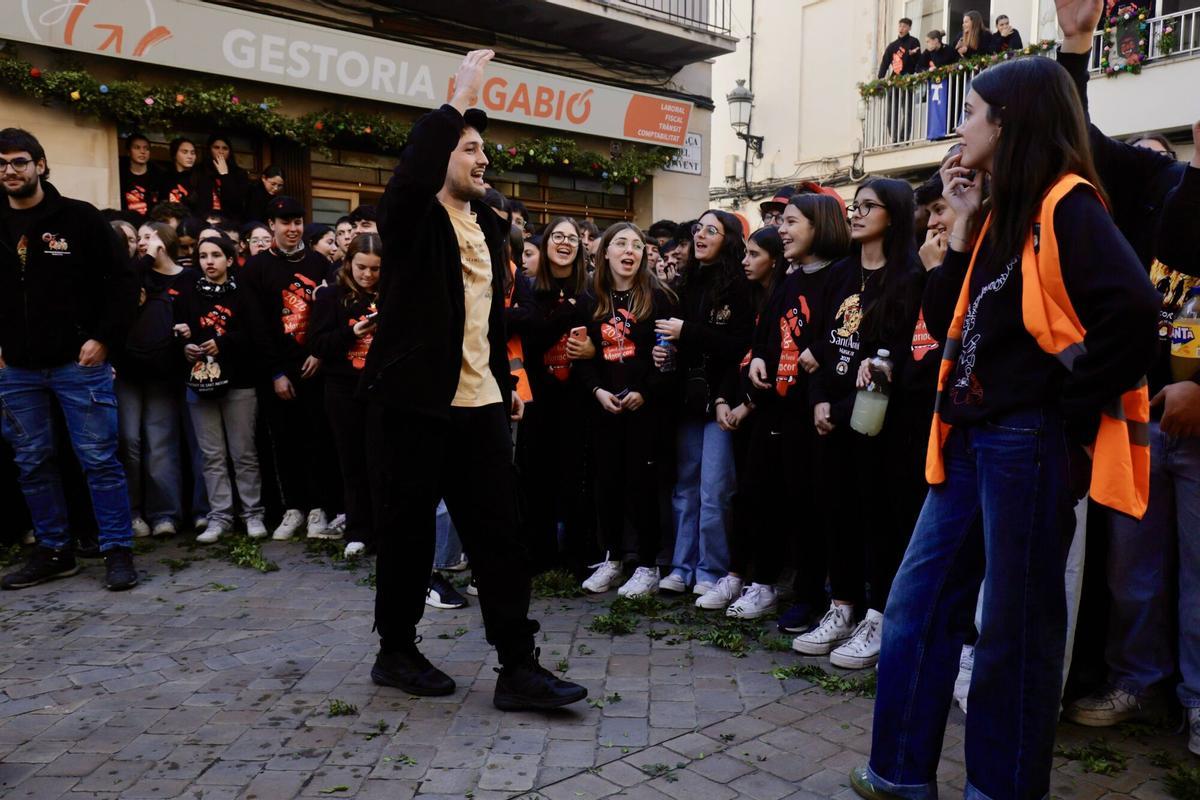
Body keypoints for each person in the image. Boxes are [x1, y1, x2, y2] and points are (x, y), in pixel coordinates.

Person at [850, 56, 1160, 800]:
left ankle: (1000, 790)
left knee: (1012, 638)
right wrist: (958, 231)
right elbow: (945, 320)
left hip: (1027, 441)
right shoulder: (997, 213)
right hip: (968, 439)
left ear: (1009, 123)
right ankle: (897, 774)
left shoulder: (1067, 203)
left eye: (973, 112)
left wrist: (1070, 410)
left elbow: (1136, 313)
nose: (961, 126)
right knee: (916, 612)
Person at [361, 49, 587, 710]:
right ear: (438, 156)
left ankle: (518, 667)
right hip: (413, 404)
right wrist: (458, 95)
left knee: (499, 536)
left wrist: (507, 382)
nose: (482, 158)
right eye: (468, 146)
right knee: (406, 534)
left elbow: (485, 319)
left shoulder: (489, 225)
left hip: (481, 403)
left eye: (484, 149)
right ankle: (395, 651)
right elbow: (408, 180)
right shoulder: (409, 220)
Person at [1063, 122, 1200, 755]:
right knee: (1131, 566)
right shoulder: (1160, 188)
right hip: (1138, 417)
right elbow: (1072, 123)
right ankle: (1139, 682)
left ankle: (1197, 701)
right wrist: (1076, 45)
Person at [0, 127, 140, 591]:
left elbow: (122, 283)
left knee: (99, 459)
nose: (10, 171)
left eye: (19, 161)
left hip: (78, 365)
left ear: (40, 165)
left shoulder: (79, 218)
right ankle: (55, 551)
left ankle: (117, 550)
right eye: (1, 164)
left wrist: (103, 339)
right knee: (32, 461)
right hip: (15, 369)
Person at [796, 179, 922, 669]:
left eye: (868, 206)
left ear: (894, 215)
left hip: (879, 423)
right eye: (855, 205)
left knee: (880, 518)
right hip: (831, 417)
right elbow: (818, 349)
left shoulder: (910, 276)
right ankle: (842, 606)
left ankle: (879, 615)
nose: (856, 213)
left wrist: (851, 397)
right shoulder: (840, 274)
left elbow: (907, 356)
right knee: (837, 511)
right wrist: (818, 399)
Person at [710, 195, 850, 625]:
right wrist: (757, 358)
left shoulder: (841, 276)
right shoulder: (789, 279)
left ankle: (810, 597)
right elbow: (768, 333)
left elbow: (845, 333)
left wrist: (820, 352)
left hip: (814, 411)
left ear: (819, 225)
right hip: (775, 408)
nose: (782, 230)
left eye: (791, 222)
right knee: (761, 496)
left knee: (810, 507)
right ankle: (762, 584)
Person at [576, 223, 678, 598]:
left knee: (643, 486)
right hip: (605, 407)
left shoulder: (660, 298)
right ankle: (614, 559)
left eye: (636, 245)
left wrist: (645, 392)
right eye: (620, 243)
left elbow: (668, 358)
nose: (629, 250)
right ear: (605, 253)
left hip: (645, 410)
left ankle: (648, 564)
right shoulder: (591, 298)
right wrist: (597, 390)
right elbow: (583, 357)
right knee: (607, 486)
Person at [654, 210, 752, 596]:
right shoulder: (685, 282)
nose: (701, 235)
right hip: (686, 397)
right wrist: (667, 353)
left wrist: (688, 332)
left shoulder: (740, 286)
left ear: (727, 239)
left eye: (712, 230)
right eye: (698, 229)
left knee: (714, 490)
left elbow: (739, 347)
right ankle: (681, 566)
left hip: (721, 397)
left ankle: (710, 570)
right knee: (685, 487)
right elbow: (675, 338)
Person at [241, 195, 341, 541]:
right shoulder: (255, 269)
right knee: (284, 442)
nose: (293, 229)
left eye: (298, 222)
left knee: (318, 439)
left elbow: (329, 314)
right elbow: (256, 327)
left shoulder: (319, 264)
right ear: (272, 225)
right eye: (285, 222)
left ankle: (318, 510)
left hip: (315, 367)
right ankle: (293, 508)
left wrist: (320, 352)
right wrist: (275, 373)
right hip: (276, 371)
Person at [174, 235, 271, 543]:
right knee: (211, 455)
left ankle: (252, 513)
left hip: (240, 381)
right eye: (203, 256)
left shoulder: (244, 293)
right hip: (201, 382)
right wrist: (185, 345)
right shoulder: (188, 294)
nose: (209, 261)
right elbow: (178, 331)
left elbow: (257, 334)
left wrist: (223, 342)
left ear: (230, 259)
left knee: (243, 453)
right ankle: (220, 517)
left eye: (216, 255)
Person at [521, 218, 595, 574]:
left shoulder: (593, 290)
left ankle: (578, 556)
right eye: (557, 237)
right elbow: (529, 340)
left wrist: (593, 349)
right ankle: (540, 554)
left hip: (578, 396)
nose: (565, 243)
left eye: (572, 238)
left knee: (575, 477)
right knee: (536, 477)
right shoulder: (529, 288)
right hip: (538, 395)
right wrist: (564, 315)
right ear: (547, 243)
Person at [114, 221, 194, 540]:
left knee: (160, 444)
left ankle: (165, 514)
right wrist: (144, 260)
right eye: (138, 238)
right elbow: (124, 291)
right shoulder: (132, 272)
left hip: (163, 372)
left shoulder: (186, 277)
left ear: (166, 240)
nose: (142, 242)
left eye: (148, 236)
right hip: (127, 370)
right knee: (129, 442)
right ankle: (132, 512)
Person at [310, 233, 381, 559]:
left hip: (382, 388)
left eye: (375, 269)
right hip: (342, 389)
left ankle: (383, 532)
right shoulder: (331, 296)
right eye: (361, 267)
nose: (367, 275)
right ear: (348, 263)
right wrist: (352, 332)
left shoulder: (392, 295)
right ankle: (357, 531)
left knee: (380, 462)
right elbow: (319, 344)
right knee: (352, 462)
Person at [191, 133, 249, 220]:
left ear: (230, 152)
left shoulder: (239, 173)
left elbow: (236, 204)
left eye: (225, 148)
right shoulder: (199, 170)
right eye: (216, 147)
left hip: (229, 220)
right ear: (209, 149)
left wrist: (225, 175)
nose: (221, 151)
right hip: (203, 219)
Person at [119, 133, 160, 221]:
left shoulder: (158, 176)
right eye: (137, 148)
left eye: (146, 148)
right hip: (126, 221)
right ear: (129, 152)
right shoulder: (120, 174)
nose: (142, 151)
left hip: (152, 223)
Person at [163, 137, 197, 207]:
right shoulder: (165, 178)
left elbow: (203, 210)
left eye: (192, 153)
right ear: (175, 155)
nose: (190, 156)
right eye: (185, 152)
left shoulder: (199, 178)